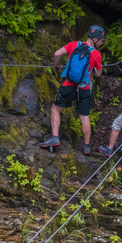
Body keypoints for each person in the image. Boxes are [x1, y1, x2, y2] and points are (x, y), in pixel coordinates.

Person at [40, 25, 105, 156]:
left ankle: (54, 138)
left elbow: (56, 53)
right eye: (102, 41)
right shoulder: (97, 54)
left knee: (55, 109)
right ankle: (86, 146)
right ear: (96, 39)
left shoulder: (74, 45)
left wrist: (57, 65)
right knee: (84, 116)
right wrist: (91, 70)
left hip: (68, 85)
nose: (102, 44)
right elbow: (98, 74)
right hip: (84, 88)